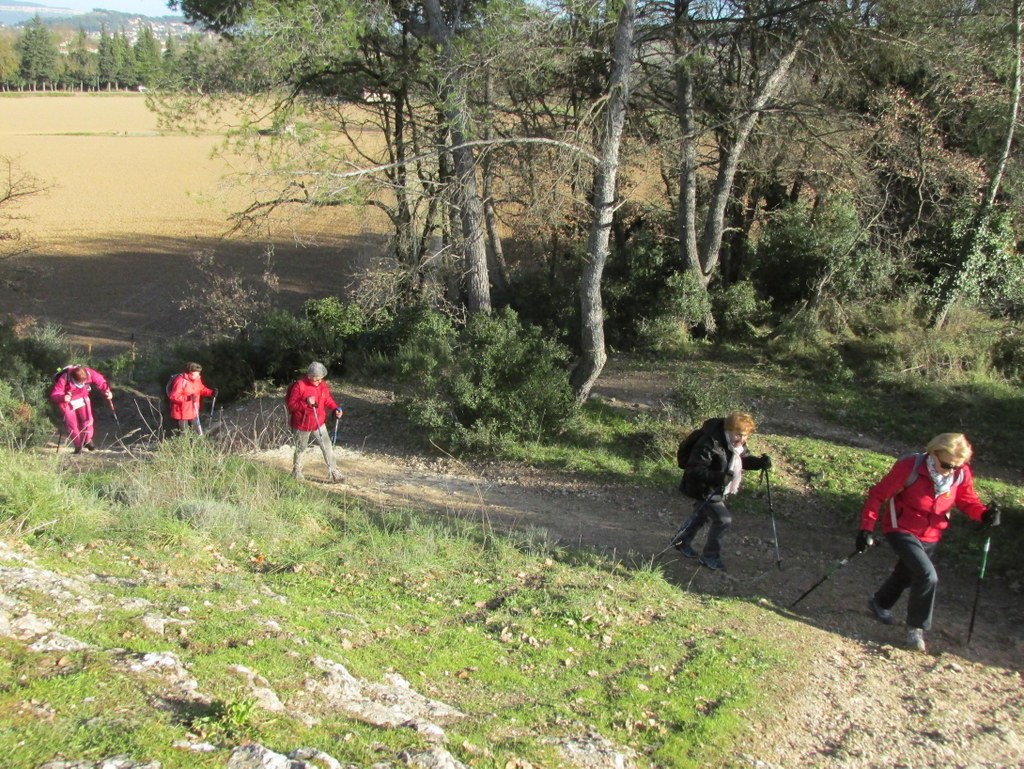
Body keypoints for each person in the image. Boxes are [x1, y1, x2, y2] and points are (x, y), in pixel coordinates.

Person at [857, 433, 1000, 653]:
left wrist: (984, 514)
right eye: (947, 464)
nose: (951, 470)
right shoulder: (910, 466)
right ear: (933, 453)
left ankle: (879, 603)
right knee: (927, 575)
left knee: (906, 573)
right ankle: (915, 629)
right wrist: (866, 528)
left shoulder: (959, 473)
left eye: (957, 466)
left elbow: (966, 500)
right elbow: (877, 495)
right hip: (901, 528)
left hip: (932, 533)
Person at [674, 411, 772, 570]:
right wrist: (719, 477)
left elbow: (743, 460)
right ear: (729, 430)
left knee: (701, 515)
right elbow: (693, 469)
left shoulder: (736, 445)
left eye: (746, 436)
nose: (742, 440)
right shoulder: (709, 443)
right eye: (739, 435)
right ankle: (710, 557)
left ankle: (681, 541)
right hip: (703, 488)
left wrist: (760, 463)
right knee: (723, 520)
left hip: (716, 488)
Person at [285, 361, 343, 482]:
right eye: (316, 379)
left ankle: (334, 472)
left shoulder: (322, 385)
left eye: (321, 379)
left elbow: (326, 399)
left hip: (318, 422)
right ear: (309, 376)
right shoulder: (300, 386)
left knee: (327, 447)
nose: (319, 381)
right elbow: (291, 406)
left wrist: (335, 408)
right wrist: (305, 402)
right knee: (301, 448)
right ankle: (297, 472)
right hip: (301, 424)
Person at [49, 365, 114, 454]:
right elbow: (55, 395)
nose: (81, 384)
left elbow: (101, 381)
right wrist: (63, 397)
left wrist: (107, 391)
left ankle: (87, 440)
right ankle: (78, 446)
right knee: (72, 424)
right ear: (73, 378)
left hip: (82, 397)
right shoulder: (64, 378)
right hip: (67, 401)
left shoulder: (89, 373)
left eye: (84, 382)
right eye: (79, 383)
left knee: (88, 420)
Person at [168, 362, 216, 434]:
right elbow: (173, 396)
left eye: (199, 373)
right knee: (185, 434)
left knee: (198, 431)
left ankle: (198, 444)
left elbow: (201, 389)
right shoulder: (180, 381)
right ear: (190, 373)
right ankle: (186, 445)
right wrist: (187, 398)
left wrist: (211, 392)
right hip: (181, 413)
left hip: (193, 410)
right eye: (196, 374)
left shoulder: (197, 380)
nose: (198, 375)